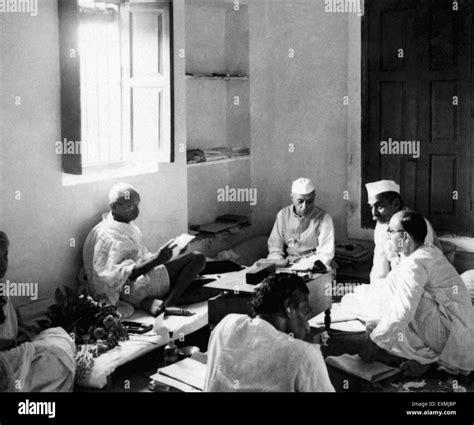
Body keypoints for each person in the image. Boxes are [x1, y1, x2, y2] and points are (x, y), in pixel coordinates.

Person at [359, 211, 474, 377]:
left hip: (453, 336)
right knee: (376, 324)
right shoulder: (424, 252)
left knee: (396, 316)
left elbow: (403, 312)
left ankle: (426, 361)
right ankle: (421, 358)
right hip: (451, 328)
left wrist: (373, 344)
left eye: (391, 231)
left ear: (405, 237)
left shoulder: (417, 261)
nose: (388, 235)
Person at [82, 183, 205, 316]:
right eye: (130, 206)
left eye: (137, 205)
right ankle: (169, 303)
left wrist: (173, 253)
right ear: (114, 207)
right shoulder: (106, 234)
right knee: (198, 259)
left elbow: (140, 257)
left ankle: (149, 302)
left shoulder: (123, 226)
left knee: (203, 279)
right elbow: (120, 276)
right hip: (130, 289)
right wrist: (158, 259)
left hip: (139, 281)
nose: (136, 211)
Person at [204, 273, 335, 392]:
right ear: (288, 308)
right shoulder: (303, 354)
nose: (307, 327)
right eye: (305, 313)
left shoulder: (226, 324)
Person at [0, 231, 76, 392]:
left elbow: (9, 325)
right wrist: (16, 342)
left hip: (12, 351)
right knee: (58, 361)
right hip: (5, 361)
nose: (2, 264)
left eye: (5, 256)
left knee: (58, 335)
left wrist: (21, 331)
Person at [366, 180, 441, 280]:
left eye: (380, 206)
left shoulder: (416, 223)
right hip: (397, 282)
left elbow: (421, 265)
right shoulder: (381, 225)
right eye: (371, 207)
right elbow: (380, 263)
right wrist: (377, 289)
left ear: (396, 204)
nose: (374, 214)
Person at [267, 178, 335, 268]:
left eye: (309, 201)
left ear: (314, 197)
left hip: (315, 265)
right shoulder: (283, 215)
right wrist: (278, 263)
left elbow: (325, 255)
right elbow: (275, 248)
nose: (304, 206)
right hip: (289, 264)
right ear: (292, 197)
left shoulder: (325, 218)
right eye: (300, 201)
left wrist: (304, 266)